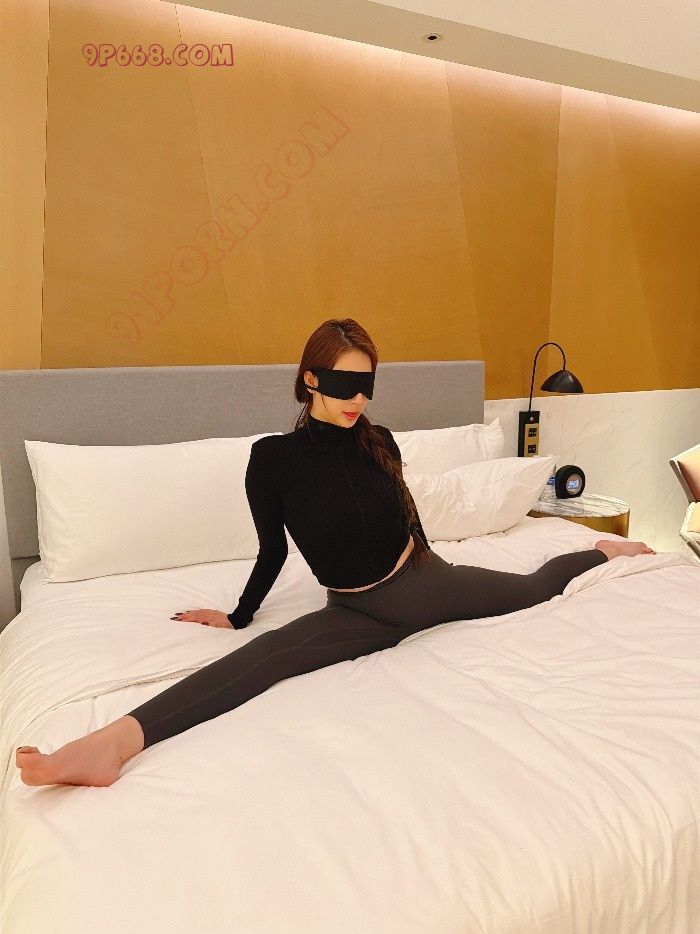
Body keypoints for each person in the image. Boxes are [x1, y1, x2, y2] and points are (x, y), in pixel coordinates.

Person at [16, 318, 655, 788]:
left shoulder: (379, 440)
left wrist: (437, 573)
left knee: (533, 587)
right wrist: (238, 617)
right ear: (310, 379)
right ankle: (110, 744)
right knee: (259, 661)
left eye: (366, 386)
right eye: (346, 384)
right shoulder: (272, 459)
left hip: (424, 585)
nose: (358, 400)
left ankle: (600, 551)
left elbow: (410, 523)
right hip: (354, 610)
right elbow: (272, 551)